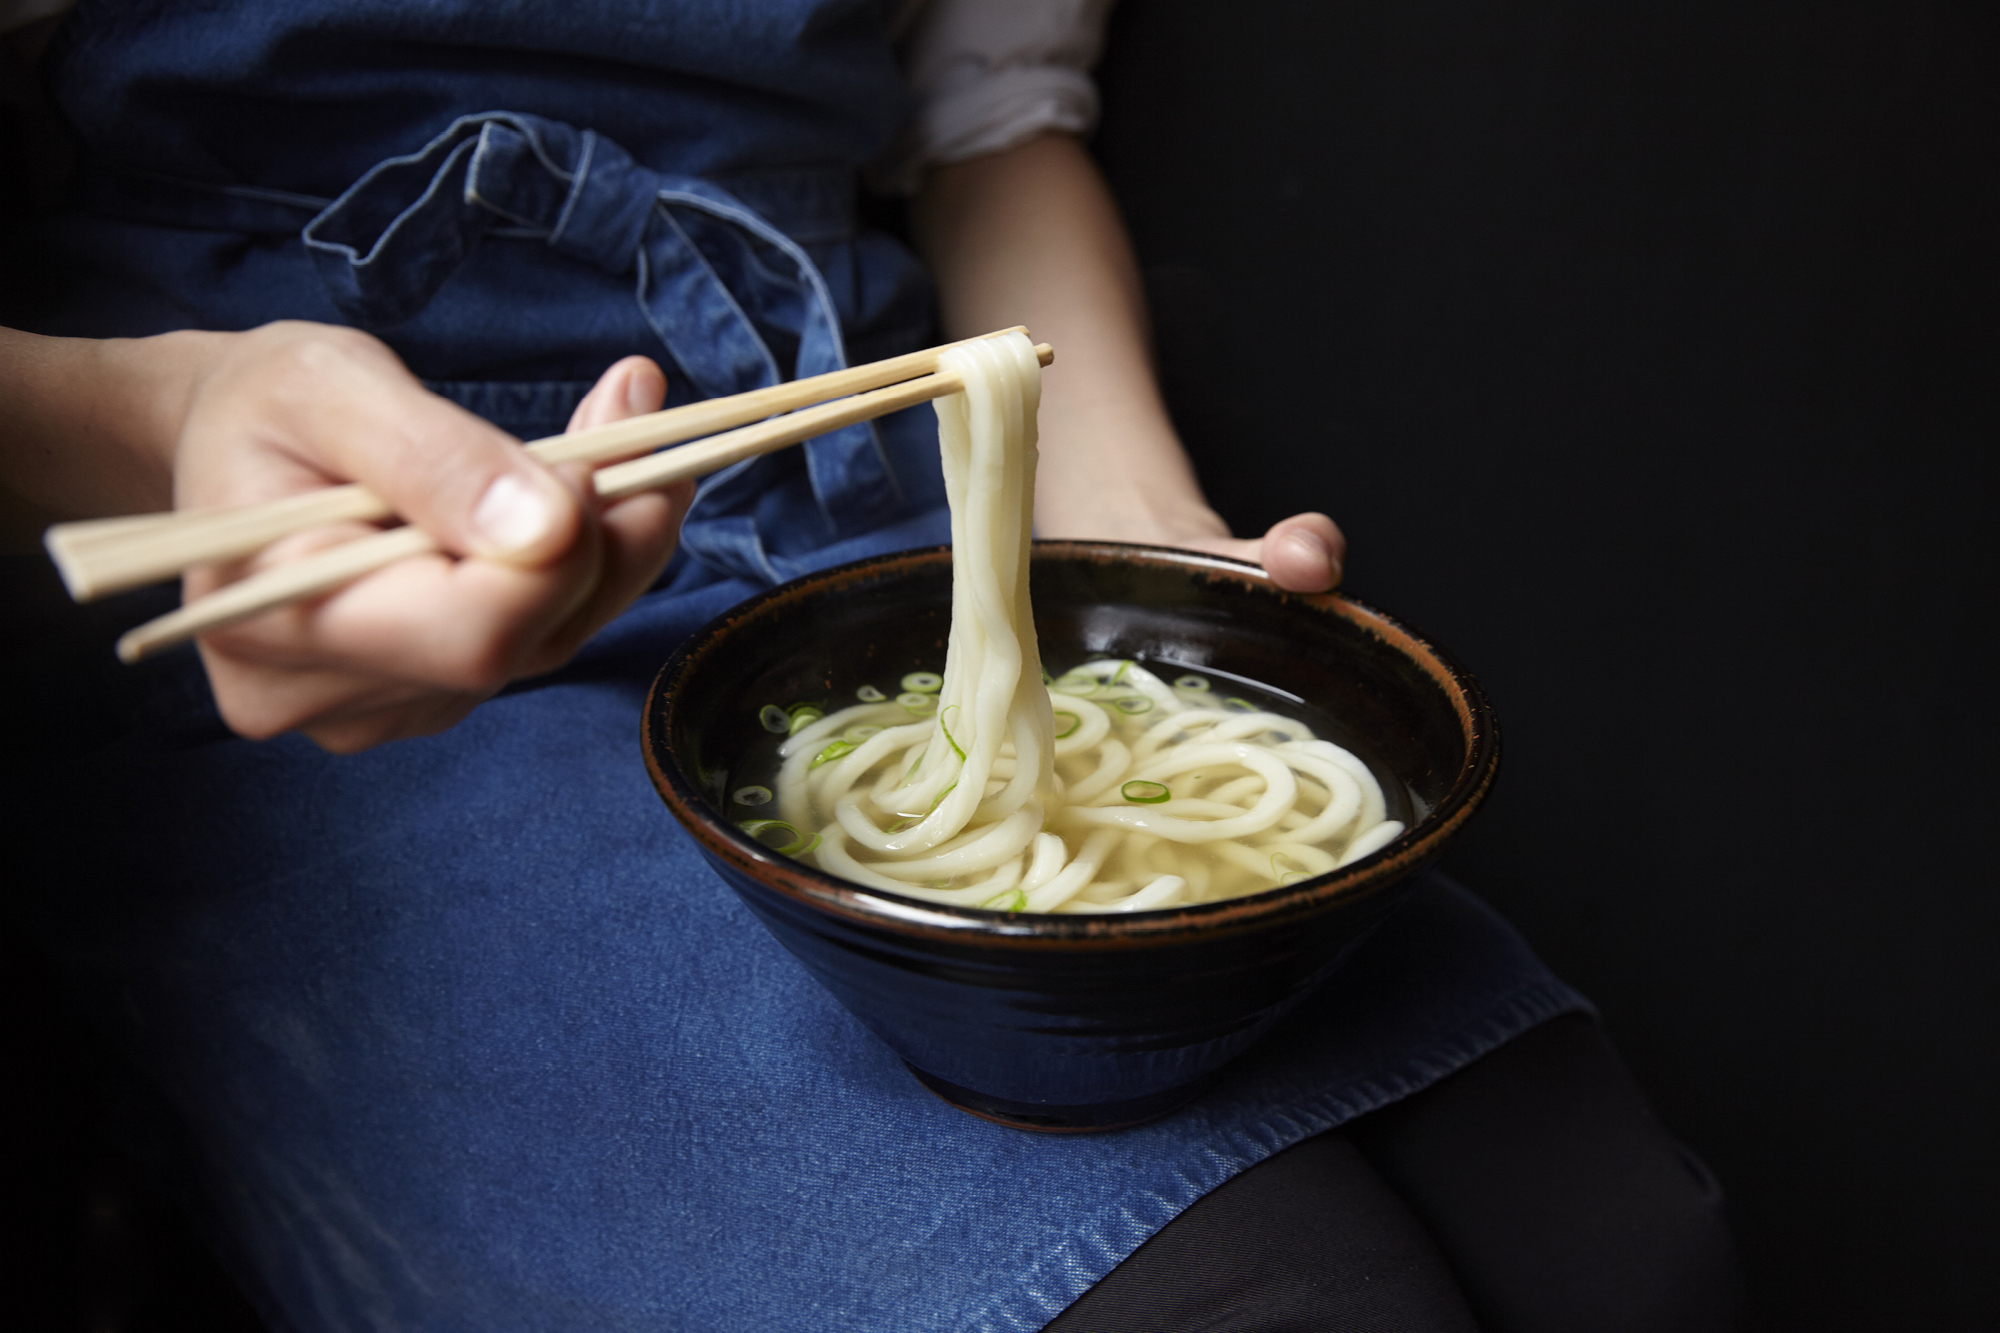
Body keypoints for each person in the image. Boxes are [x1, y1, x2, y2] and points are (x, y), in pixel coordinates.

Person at [0, 2, 1732, 1327]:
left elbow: (989, 130)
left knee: (1624, 1249)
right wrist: (166, 425)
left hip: (874, 476)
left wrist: (1144, 527)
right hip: (283, 543)